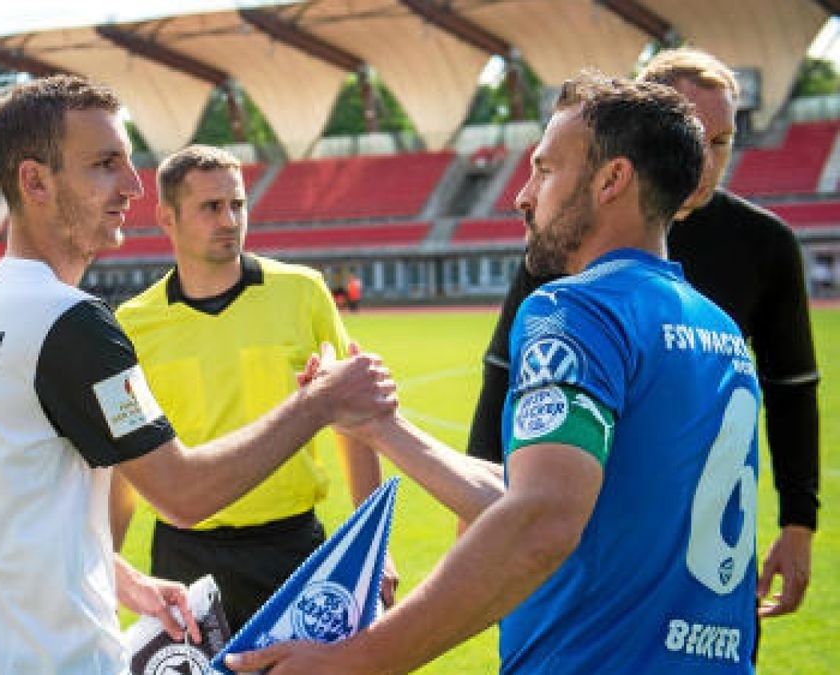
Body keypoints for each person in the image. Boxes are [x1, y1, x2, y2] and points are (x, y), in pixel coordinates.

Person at [228, 72, 761, 674]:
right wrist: (381, 427)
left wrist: (359, 659)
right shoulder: (717, 329)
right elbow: (547, 493)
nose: (522, 194)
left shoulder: (577, 309)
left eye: (545, 169)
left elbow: (541, 517)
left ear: (613, 180)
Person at [0, 75, 396, 675]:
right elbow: (183, 494)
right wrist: (318, 403)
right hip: (52, 657)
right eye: (104, 165)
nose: (131, 185)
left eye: (128, 163)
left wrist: (121, 578)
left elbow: (2, 507)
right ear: (35, 181)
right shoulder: (70, 325)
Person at [466, 47, 819, 622]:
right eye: (690, 133)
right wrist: (475, 504)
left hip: (699, 543)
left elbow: (792, 388)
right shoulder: (564, 241)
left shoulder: (765, 244)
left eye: (721, 141)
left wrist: (798, 521)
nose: (703, 157)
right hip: (598, 538)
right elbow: (502, 372)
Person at [111, 145, 397, 631]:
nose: (229, 219)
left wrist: (374, 543)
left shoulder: (302, 292)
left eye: (237, 204)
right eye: (210, 207)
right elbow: (124, 465)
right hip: (185, 560)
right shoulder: (132, 324)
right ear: (166, 217)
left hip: (291, 549)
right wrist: (106, 564)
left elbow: (354, 421)